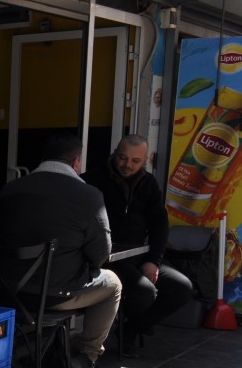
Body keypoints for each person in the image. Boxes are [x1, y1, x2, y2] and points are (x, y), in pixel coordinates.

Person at [0, 133, 122, 368]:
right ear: (76, 162)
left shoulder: (10, 189)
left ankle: (19, 350)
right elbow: (101, 255)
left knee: (43, 291)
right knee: (113, 284)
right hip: (54, 296)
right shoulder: (89, 196)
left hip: (3, 291)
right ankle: (86, 358)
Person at [83, 134, 194, 354]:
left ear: (145, 160)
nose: (128, 165)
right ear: (115, 153)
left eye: (135, 161)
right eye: (123, 158)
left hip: (139, 255)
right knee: (144, 293)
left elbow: (159, 225)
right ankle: (130, 328)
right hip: (109, 258)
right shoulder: (93, 180)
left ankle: (130, 330)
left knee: (182, 288)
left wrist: (153, 260)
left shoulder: (148, 183)